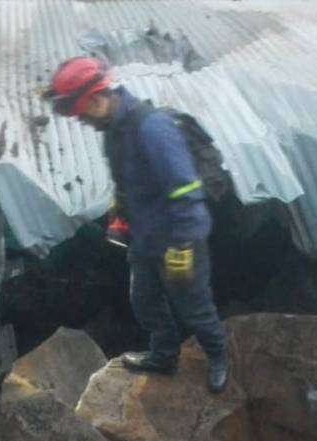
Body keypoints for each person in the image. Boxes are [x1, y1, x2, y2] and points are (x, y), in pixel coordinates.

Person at [44, 57, 229, 394]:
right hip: (145, 236)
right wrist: (120, 217)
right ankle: (164, 354)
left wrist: (183, 246)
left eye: (82, 114)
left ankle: (218, 357)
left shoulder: (152, 128)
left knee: (194, 307)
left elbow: (188, 193)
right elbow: (128, 183)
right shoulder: (114, 132)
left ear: (97, 99)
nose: (83, 121)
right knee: (144, 300)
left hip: (178, 237)